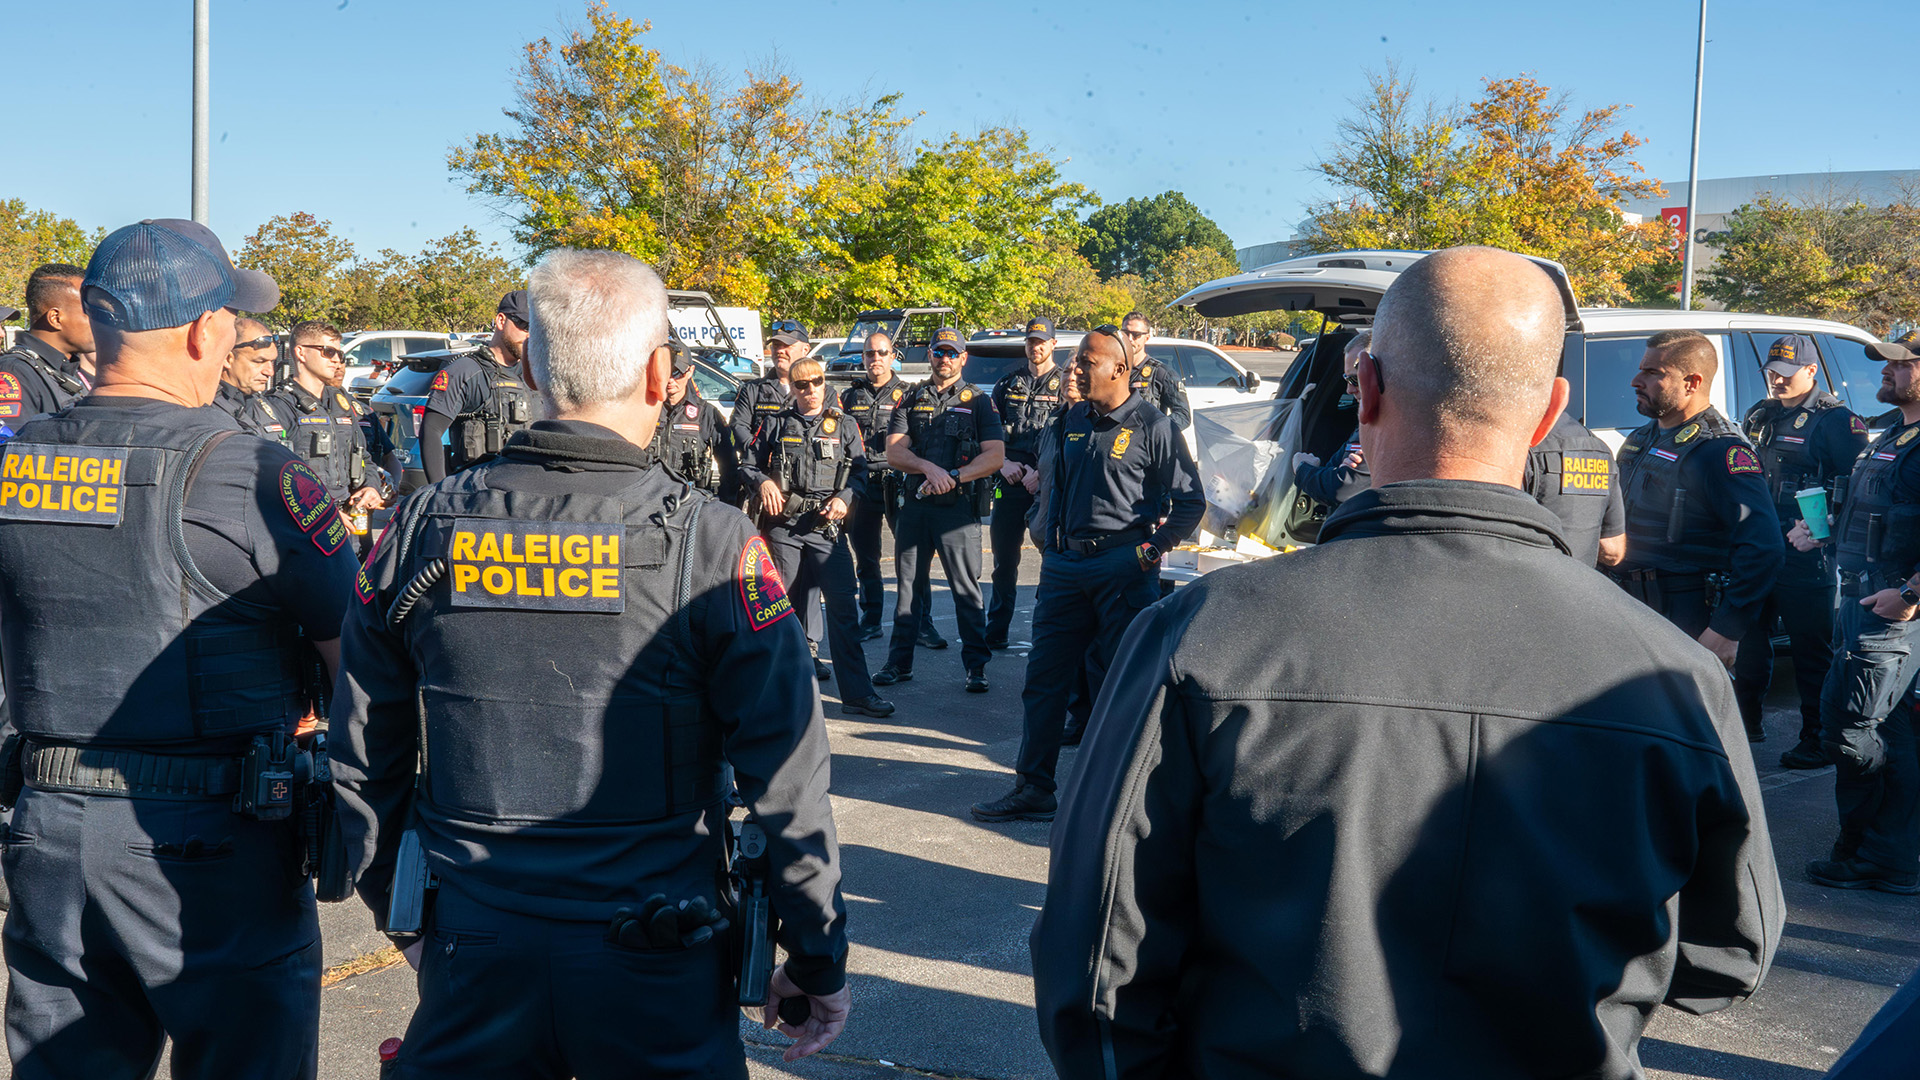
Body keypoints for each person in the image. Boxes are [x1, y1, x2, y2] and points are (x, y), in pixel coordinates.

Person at [1031, 246, 1783, 1080]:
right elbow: (1727, 957)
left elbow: (1094, 955)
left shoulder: (1201, 635)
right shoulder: (1677, 679)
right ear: (1549, 412)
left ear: (1367, 388)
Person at [330, 248, 850, 1078]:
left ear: (533, 362)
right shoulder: (712, 542)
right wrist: (817, 954)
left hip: (472, 945)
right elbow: (787, 774)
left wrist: (408, 922)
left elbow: (362, 752)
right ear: (659, 374)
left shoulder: (424, 525)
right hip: (659, 954)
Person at [0, 218, 356, 1079]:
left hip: (47, 833)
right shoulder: (256, 476)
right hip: (212, 847)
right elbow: (356, 661)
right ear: (205, 331)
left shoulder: (16, 461)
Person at [972, 325, 1203, 823]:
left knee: (1122, 686)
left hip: (1123, 569)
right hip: (1063, 568)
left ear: (1119, 370)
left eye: (1085, 362)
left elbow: (1190, 502)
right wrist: (1048, 541)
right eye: (1075, 361)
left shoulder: (1152, 425)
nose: (1074, 370)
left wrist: (1153, 550)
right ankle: (1034, 788)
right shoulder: (1071, 420)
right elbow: (1052, 484)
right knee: (1044, 681)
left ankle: (1120, 799)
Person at [1786, 332, 1920, 895]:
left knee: (1859, 732)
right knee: (1876, 730)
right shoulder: (1891, 433)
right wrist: (1821, 532)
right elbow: (1875, 511)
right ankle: (1879, 852)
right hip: (1857, 600)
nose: (1883, 373)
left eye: (1899, 365)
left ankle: (1885, 859)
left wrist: (1912, 593)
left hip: (1891, 612)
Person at [1612, 329, 1783, 669]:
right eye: (1641, 369)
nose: (1635, 380)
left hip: (1685, 615)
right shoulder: (1642, 437)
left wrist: (1726, 629)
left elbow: (1764, 548)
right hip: (1631, 607)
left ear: (1691, 382)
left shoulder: (1719, 450)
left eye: (1653, 372)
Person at [739, 357, 894, 718]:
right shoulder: (775, 424)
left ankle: (857, 695)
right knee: (782, 612)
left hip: (826, 528)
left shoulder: (845, 425)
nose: (809, 390)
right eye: (801, 384)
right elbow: (747, 464)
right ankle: (783, 694)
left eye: (816, 382)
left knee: (843, 611)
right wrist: (761, 482)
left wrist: (845, 498)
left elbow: (859, 474)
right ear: (791, 387)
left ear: (825, 383)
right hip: (784, 528)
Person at [1738, 335, 1867, 757]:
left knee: (1811, 652)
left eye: (1787, 374)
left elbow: (1858, 490)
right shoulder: (1761, 414)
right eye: (1772, 372)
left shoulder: (1837, 422)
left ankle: (1816, 737)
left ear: (1811, 371)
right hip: (1760, 541)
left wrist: (1819, 530)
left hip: (1806, 550)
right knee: (1750, 641)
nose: (1777, 380)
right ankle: (1745, 726)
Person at [874, 327, 1006, 693]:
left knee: (965, 591)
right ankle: (898, 664)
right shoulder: (911, 397)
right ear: (929, 355)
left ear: (963, 358)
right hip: (916, 506)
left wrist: (953, 475)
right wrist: (929, 469)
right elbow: (895, 452)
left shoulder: (980, 401)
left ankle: (976, 668)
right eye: (938, 352)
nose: (944, 359)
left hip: (957, 510)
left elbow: (995, 456)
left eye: (951, 353)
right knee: (907, 590)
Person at [986, 317, 1067, 649]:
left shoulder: (1066, 384)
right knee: (1004, 563)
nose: (1036, 347)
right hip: (1009, 480)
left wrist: (1041, 474)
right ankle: (996, 631)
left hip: (1045, 484)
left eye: (1042, 341)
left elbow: (1069, 438)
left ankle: (1046, 631)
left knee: (1051, 562)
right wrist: (1002, 464)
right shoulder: (1007, 384)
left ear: (1053, 344)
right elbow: (988, 433)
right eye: (1031, 341)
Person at [272, 319, 392, 514]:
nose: (336, 360)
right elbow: (275, 477)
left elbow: (365, 458)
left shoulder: (341, 403)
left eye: (340, 354)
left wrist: (371, 487)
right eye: (328, 352)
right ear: (301, 353)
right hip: (306, 520)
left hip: (349, 515)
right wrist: (322, 514)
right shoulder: (281, 405)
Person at [838, 331, 912, 640]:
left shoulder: (909, 394)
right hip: (862, 483)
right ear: (864, 358)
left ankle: (920, 621)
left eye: (882, 353)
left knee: (910, 557)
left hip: (897, 482)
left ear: (893, 355)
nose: (876, 359)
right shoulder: (851, 396)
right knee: (866, 558)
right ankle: (871, 619)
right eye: (870, 354)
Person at [419, 290, 534, 482]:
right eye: (524, 326)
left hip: (524, 492)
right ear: (501, 321)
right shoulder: (465, 371)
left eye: (535, 329)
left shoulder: (535, 375)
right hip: (475, 493)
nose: (529, 335)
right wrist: (438, 492)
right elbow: (431, 431)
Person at [1525, 410, 1627, 568]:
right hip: (1579, 586)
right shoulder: (1598, 447)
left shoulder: (1512, 443)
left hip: (1524, 584)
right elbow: (1613, 550)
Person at [0, 263, 93, 420]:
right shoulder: (15, 372)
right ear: (55, 319)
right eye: (89, 313)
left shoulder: (67, 370)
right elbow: (9, 442)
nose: (98, 322)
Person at [1292, 331, 1371, 508]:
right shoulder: (1366, 426)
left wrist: (1303, 468)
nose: (1349, 389)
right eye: (1346, 378)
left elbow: (1341, 488)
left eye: (1354, 379)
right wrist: (1338, 472)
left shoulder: (1390, 427)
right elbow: (1334, 469)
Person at [648, 339, 735, 496]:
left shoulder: (706, 413)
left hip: (689, 501)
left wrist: (723, 504)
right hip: (649, 497)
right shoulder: (646, 408)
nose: (670, 380)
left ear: (690, 371)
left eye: (677, 372)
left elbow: (729, 467)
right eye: (666, 371)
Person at [730, 320, 806, 476]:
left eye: (787, 346)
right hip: (761, 476)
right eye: (776, 345)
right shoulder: (752, 390)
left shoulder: (822, 392)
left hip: (806, 479)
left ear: (805, 349)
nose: (780, 351)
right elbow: (739, 427)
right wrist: (761, 452)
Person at [212, 316, 294, 443]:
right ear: (228, 359)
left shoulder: (261, 405)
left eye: (272, 362)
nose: (270, 372)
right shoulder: (207, 408)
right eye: (259, 361)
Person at [1118, 311, 1189, 430]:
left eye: (1136, 335)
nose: (1130, 339)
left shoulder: (1162, 373)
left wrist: (1153, 431)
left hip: (1145, 445)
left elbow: (1183, 416)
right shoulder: (1114, 370)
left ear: (1146, 337)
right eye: (1125, 333)